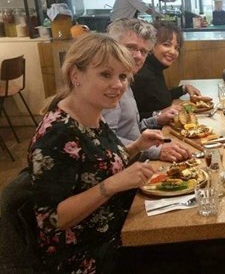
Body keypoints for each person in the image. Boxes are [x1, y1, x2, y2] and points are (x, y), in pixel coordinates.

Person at [28, 33, 164, 272]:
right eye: (105, 74)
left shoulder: (91, 113)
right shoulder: (57, 135)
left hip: (120, 228)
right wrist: (111, 185)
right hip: (87, 255)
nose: (118, 84)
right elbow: (52, 220)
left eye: (123, 76)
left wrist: (137, 146)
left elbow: (99, 164)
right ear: (75, 75)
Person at [103, 19, 191, 162]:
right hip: (124, 168)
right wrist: (155, 151)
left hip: (137, 159)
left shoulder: (126, 81)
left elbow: (129, 129)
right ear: (112, 47)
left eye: (143, 51)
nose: (138, 56)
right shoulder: (109, 88)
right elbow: (106, 141)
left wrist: (156, 120)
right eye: (131, 47)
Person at [131, 21, 201, 119]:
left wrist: (183, 89)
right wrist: (159, 113)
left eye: (176, 48)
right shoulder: (141, 75)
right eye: (167, 45)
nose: (173, 52)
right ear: (151, 45)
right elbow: (133, 120)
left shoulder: (155, 69)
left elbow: (161, 98)